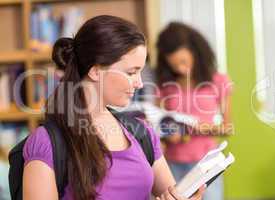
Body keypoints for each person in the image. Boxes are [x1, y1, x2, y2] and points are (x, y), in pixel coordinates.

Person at [22, 15, 204, 200]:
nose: (139, 83)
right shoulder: (47, 143)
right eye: (131, 72)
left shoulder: (142, 133)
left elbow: (172, 193)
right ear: (96, 70)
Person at [155, 22, 233, 200]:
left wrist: (193, 127)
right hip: (173, 165)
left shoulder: (218, 81)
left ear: (196, 52)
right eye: (174, 65)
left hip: (207, 165)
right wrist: (167, 134)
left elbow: (227, 128)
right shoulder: (164, 85)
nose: (180, 69)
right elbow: (155, 123)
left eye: (183, 61)